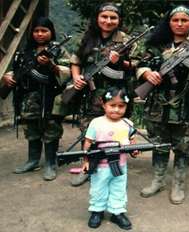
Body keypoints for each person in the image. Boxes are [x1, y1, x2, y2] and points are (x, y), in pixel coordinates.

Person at [137, 5, 189, 204]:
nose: (180, 24)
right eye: (176, 20)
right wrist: (148, 73)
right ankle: (158, 180)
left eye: (185, 20)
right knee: (159, 144)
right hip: (158, 104)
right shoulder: (158, 43)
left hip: (188, 106)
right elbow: (141, 63)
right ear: (169, 22)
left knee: (184, 148)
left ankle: (178, 183)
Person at [69, 2, 136, 187]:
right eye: (104, 16)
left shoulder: (126, 40)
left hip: (115, 98)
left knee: (114, 135)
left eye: (113, 17)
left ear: (119, 20)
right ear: (97, 18)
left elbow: (137, 66)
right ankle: (87, 167)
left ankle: (112, 170)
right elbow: (75, 61)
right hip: (89, 95)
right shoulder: (87, 37)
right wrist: (76, 78)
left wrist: (120, 62)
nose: (108, 21)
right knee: (88, 133)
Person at [1, 17, 71, 181]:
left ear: (51, 32)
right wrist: (8, 77)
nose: (40, 34)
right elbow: (17, 69)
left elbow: (67, 72)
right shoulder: (25, 51)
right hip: (28, 98)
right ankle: (32, 160)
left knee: (50, 128)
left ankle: (50, 163)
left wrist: (51, 65)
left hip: (50, 97)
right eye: (36, 31)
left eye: (44, 31)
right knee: (31, 127)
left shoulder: (58, 50)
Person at [82, 86, 137, 229]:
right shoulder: (96, 123)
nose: (116, 110)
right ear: (103, 104)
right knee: (98, 188)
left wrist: (134, 150)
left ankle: (117, 212)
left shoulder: (128, 124)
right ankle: (97, 211)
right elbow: (87, 143)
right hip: (100, 165)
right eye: (112, 105)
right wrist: (86, 161)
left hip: (120, 165)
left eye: (121, 106)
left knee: (119, 188)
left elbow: (132, 141)